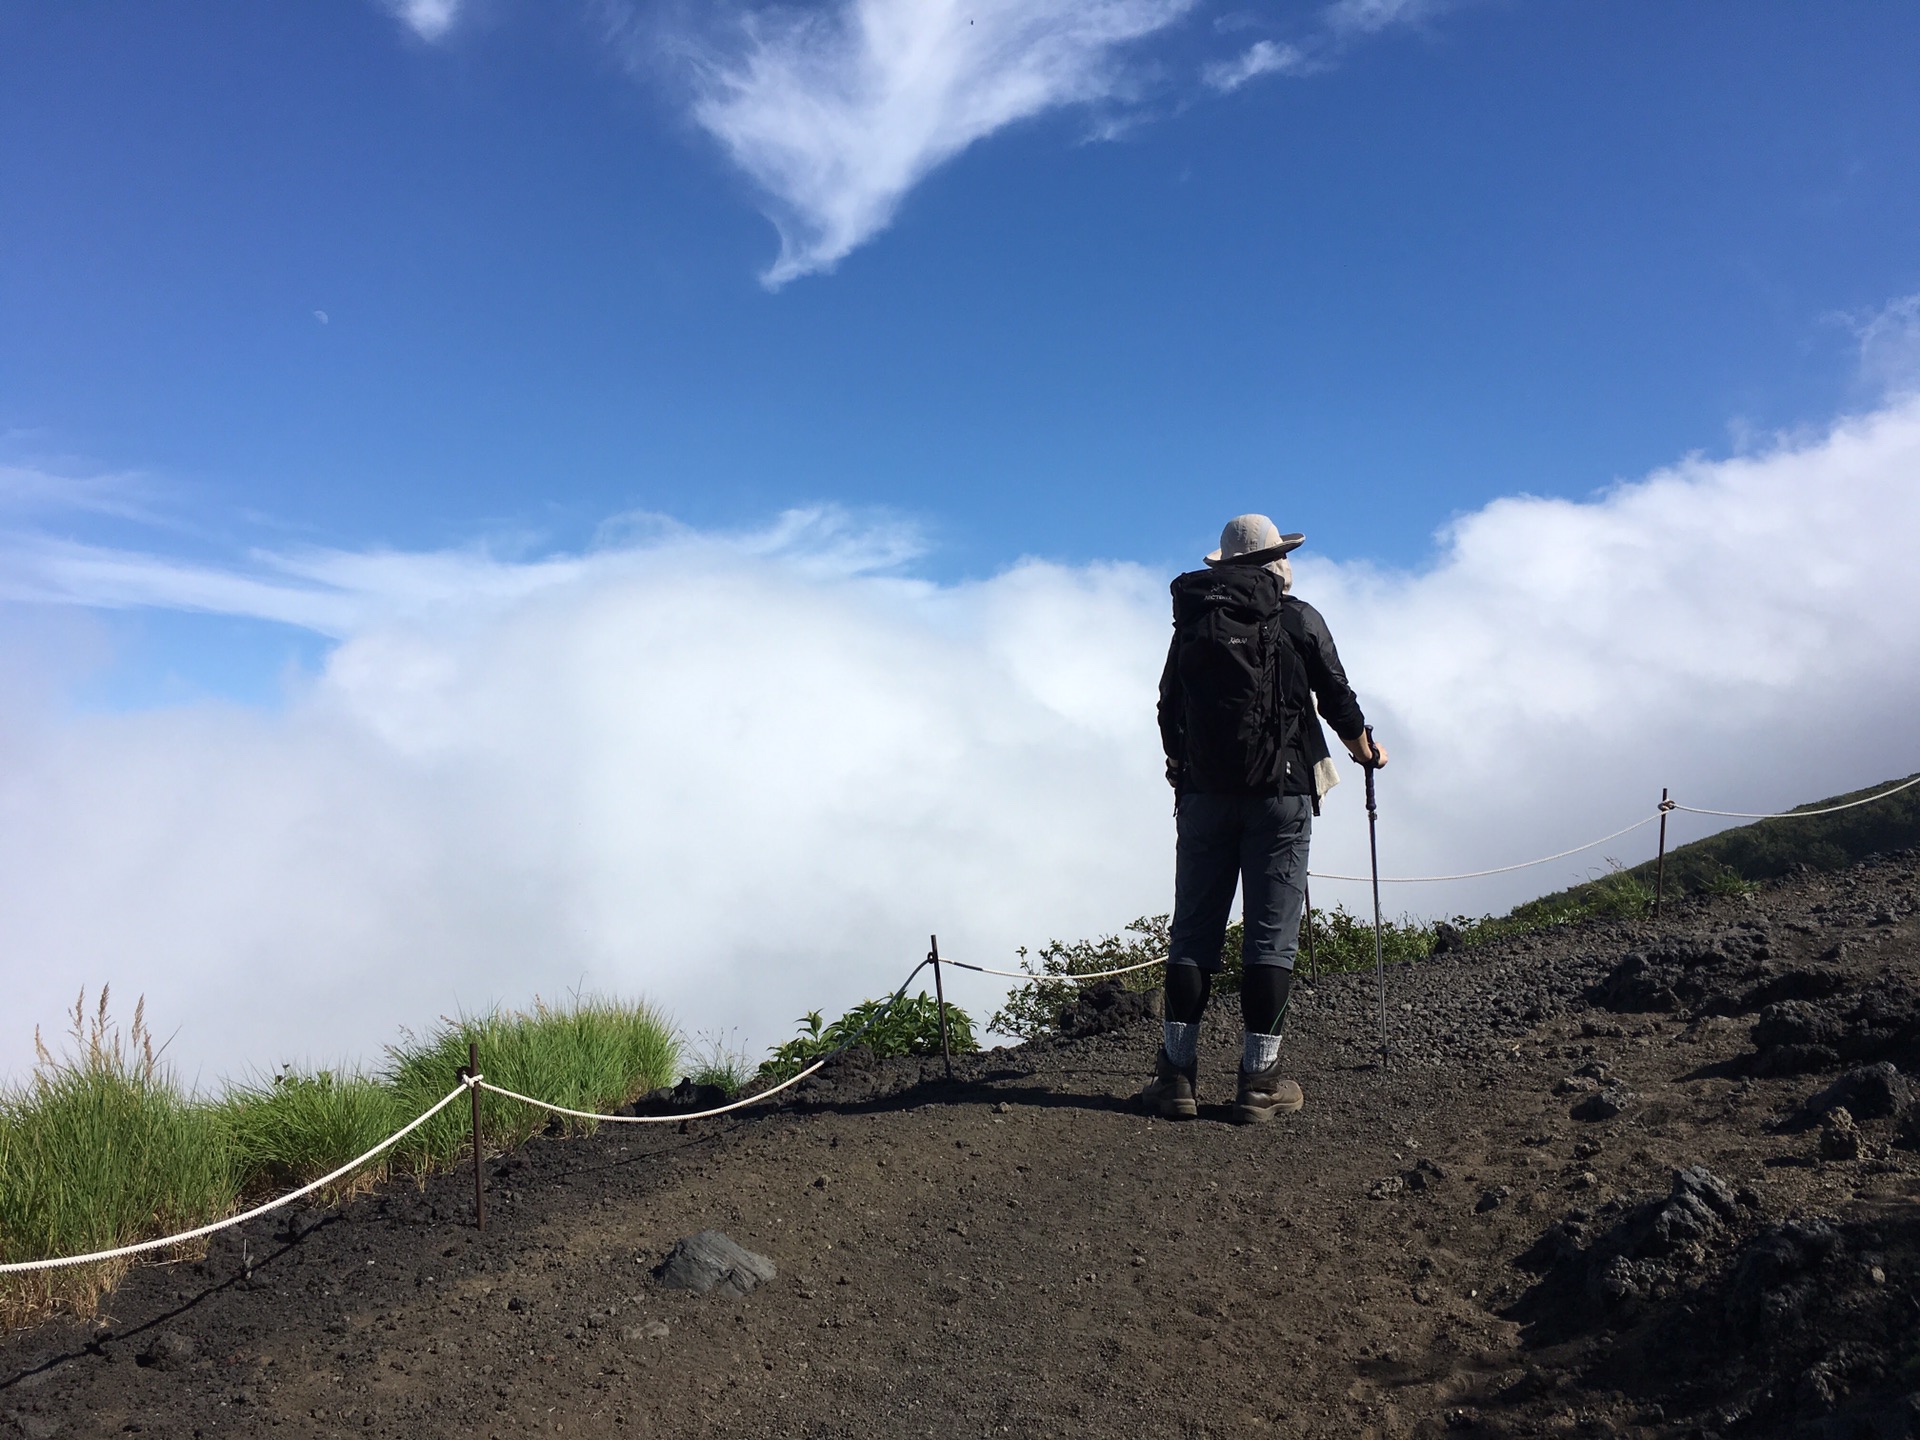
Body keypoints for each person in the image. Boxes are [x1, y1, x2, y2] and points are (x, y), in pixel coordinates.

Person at [1143, 514, 1387, 1124]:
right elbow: (1336, 695)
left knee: (1193, 934)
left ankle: (1176, 1078)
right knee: (1270, 941)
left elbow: (1168, 706)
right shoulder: (1298, 617)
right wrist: (1365, 751)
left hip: (1202, 796)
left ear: (1223, 566)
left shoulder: (1194, 623)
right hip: (1281, 796)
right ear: (1278, 559)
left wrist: (1186, 769)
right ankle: (1259, 1084)